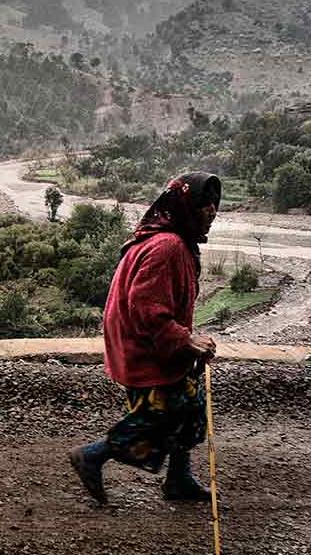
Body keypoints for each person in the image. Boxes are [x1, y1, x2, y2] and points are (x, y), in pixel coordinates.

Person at [69, 171, 222, 505]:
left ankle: (178, 480)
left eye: (213, 211)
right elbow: (144, 308)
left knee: (191, 406)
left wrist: (186, 340)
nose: (210, 217)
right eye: (204, 210)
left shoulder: (174, 241)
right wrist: (186, 340)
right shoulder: (167, 247)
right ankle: (91, 456)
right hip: (144, 345)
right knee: (161, 416)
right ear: (185, 208)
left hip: (154, 342)